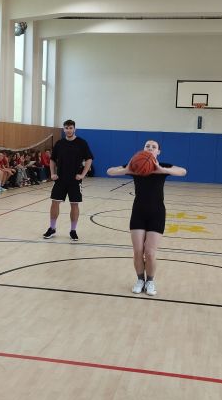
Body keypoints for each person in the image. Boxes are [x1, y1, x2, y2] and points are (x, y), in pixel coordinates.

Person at [107, 140, 186, 296]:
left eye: (153, 147)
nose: (150, 148)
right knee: (138, 251)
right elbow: (110, 171)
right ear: (143, 149)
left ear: (158, 152)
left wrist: (161, 170)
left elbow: (183, 171)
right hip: (138, 212)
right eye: (147, 146)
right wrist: (127, 170)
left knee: (149, 253)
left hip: (157, 213)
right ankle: (140, 280)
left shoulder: (163, 166)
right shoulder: (136, 165)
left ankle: (150, 281)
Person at [42, 120, 93, 241]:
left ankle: (73, 230)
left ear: (74, 129)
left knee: (74, 204)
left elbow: (89, 159)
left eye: (70, 128)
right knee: (54, 203)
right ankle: (52, 228)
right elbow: (52, 160)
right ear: (64, 129)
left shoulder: (82, 143)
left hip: (75, 180)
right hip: (60, 179)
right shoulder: (59, 143)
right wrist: (52, 173)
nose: (68, 130)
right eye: (66, 128)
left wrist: (83, 174)